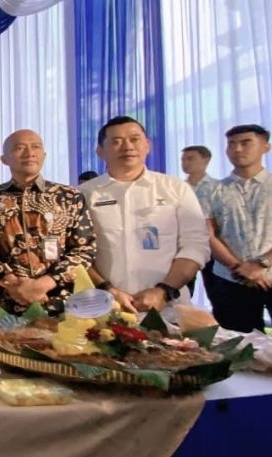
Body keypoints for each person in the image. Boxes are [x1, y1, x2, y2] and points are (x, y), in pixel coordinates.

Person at [80, 116, 210, 313]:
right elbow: (77, 252)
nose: (128, 147)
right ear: (100, 151)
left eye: (135, 139)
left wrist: (163, 291)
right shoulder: (84, 194)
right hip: (106, 307)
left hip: (168, 307)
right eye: (116, 141)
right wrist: (108, 290)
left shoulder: (175, 188)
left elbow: (196, 245)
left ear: (147, 145)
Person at [201, 125, 272, 334]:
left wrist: (260, 264)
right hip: (231, 278)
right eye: (231, 144)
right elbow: (208, 234)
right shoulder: (211, 190)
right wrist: (240, 268)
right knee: (235, 344)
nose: (237, 149)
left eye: (245, 143)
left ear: (265, 147)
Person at [0, 130, 96, 316]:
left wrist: (44, 284)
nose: (29, 153)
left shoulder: (69, 196)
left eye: (36, 147)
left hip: (59, 299)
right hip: (3, 300)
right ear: (4, 159)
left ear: (44, 155)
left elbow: (84, 249)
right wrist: (13, 283)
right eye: (19, 148)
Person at [180, 145, 219, 298]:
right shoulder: (178, 188)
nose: (185, 163)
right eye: (183, 159)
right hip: (185, 245)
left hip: (213, 246)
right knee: (183, 289)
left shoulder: (218, 187)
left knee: (215, 290)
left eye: (190, 159)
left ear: (206, 160)